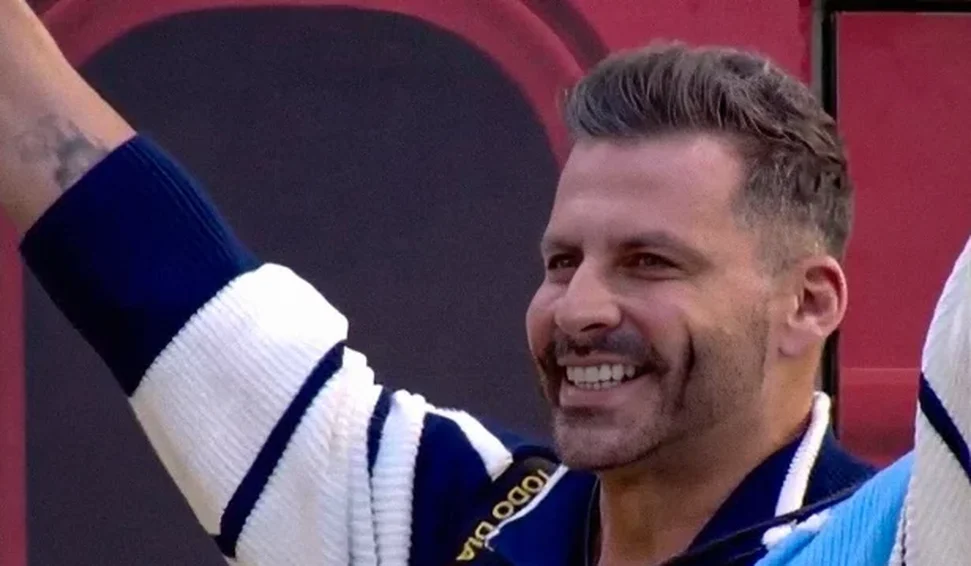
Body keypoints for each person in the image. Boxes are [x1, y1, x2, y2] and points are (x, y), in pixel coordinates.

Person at [0, 2, 878, 565]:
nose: (577, 309)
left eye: (649, 262)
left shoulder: (894, 540)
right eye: (561, 262)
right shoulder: (439, 515)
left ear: (807, 303)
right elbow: (147, 274)